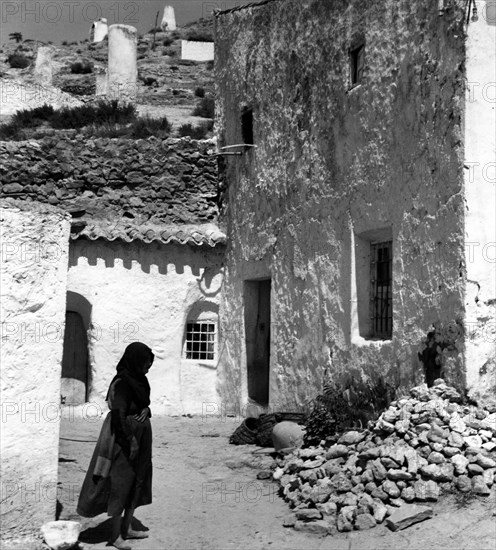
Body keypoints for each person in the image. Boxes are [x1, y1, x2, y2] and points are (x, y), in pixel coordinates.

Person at [77, 342, 154, 550]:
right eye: (146, 363)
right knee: (121, 483)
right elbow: (119, 414)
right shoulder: (122, 383)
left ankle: (127, 527)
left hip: (141, 435)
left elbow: (141, 404)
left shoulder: (140, 380)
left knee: (138, 479)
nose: (148, 368)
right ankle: (114, 535)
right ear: (136, 361)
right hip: (124, 437)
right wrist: (131, 440)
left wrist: (147, 409)